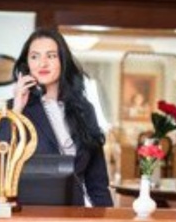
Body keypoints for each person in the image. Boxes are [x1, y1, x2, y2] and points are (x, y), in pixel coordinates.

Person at [9, 28, 112, 207]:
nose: (42, 63)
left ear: (63, 61)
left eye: (51, 56)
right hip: (31, 212)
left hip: (75, 212)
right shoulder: (15, 108)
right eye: (34, 56)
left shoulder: (84, 110)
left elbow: (97, 182)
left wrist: (107, 220)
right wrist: (17, 109)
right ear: (27, 64)